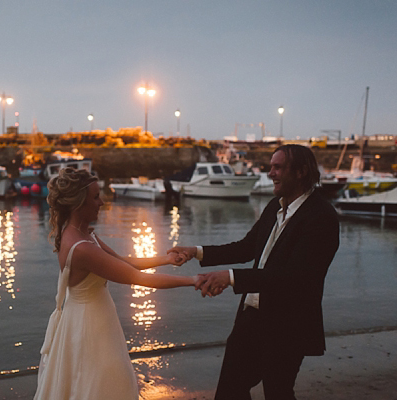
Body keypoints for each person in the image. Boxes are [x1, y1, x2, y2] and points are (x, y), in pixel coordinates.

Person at [169, 144, 340, 399]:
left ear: (302, 172)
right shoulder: (275, 206)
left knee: (278, 392)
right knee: (230, 390)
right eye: (271, 167)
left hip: (287, 325)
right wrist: (197, 251)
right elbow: (247, 247)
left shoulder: (322, 217)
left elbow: (295, 277)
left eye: (278, 167)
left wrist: (230, 277)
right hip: (251, 318)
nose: (271, 173)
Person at [34, 167, 198, 400]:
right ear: (79, 202)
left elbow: (123, 262)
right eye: (95, 197)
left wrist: (166, 259)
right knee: (98, 384)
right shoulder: (81, 248)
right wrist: (194, 281)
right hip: (88, 326)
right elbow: (139, 279)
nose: (101, 202)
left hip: (95, 317)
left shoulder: (83, 234)